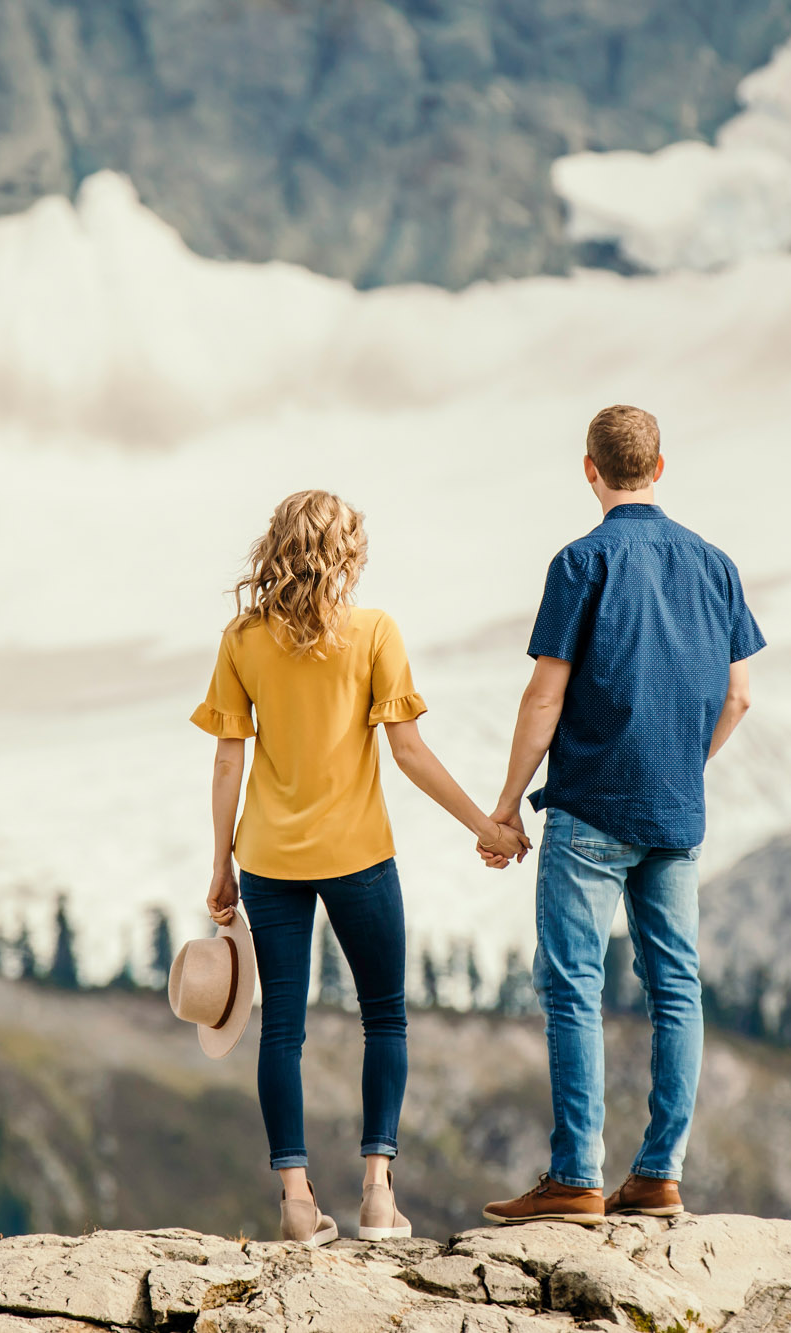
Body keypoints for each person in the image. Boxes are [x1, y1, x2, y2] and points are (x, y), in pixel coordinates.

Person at [194, 489, 531, 1245]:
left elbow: (226, 760)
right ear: (346, 552)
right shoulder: (374, 631)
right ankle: (379, 1193)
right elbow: (408, 751)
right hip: (359, 855)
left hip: (270, 860)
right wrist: (487, 824)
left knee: (280, 1028)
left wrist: (221, 865)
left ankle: (294, 1201)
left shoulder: (242, 639)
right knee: (384, 1015)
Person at [482, 404, 763, 1226]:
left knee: (573, 982)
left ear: (589, 469)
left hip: (590, 807)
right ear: (662, 468)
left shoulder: (581, 561)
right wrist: (684, 764)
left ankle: (574, 1176)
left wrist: (504, 806)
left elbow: (545, 696)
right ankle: (660, 1174)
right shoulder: (715, 564)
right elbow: (740, 695)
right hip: (674, 813)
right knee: (676, 985)